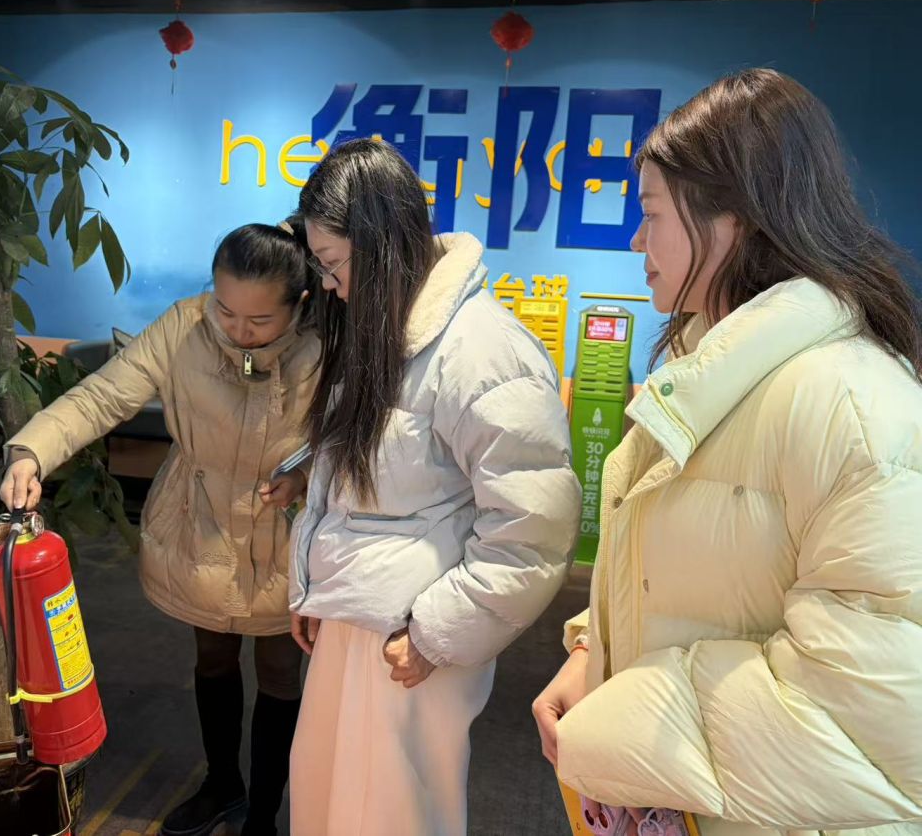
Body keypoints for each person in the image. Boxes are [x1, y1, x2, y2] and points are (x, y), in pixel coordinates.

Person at [532, 69, 922, 836]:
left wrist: (616, 726)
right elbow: (691, 582)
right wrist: (592, 654)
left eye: (651, 213)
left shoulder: (851, 403)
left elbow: (872, 721)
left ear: (732, 219)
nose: (637, 241)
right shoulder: (705, 372)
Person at [286, 138, 582, 836]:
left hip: (411, 638)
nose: (329, 286)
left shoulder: (483, 349)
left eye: (333, 264)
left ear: (379, 245)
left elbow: (534, 529)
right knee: (331, 800)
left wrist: (436, 633)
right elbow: (352, 480)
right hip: (361, 619)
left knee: (391, 814)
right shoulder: (385, 330)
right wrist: (315, 586)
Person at [1, 220, 320, 836]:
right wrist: (31, 451)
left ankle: (262, 815)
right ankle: (222, 785)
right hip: (200, 520)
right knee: (212, 656)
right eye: (225, 310)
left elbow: (350, 436)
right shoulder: (183, 327)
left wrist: (305, 475)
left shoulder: (326, 346)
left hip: (287, 531)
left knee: (283, 670)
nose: (238, 330)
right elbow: (102, 397)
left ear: (300, 304)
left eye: (259, 321)